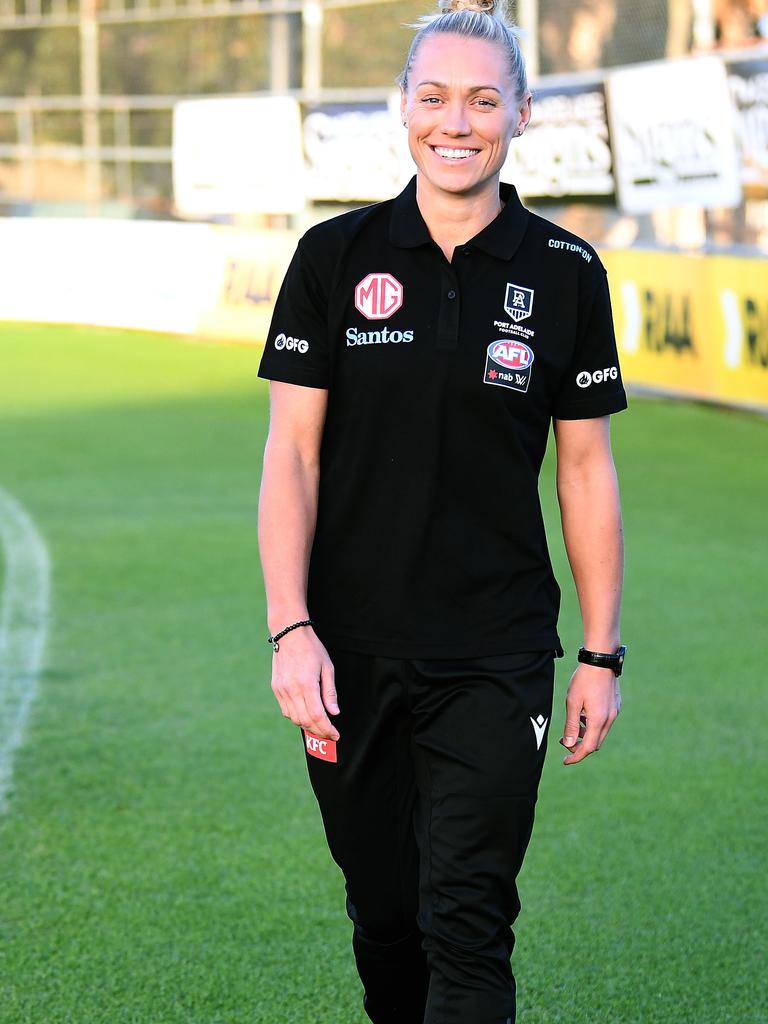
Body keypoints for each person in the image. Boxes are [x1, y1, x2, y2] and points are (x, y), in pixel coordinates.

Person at [257, 1, 627, 1021]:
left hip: (498, 653)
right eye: (433, 97)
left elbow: (585, 469)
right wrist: (292, 628)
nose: (454, 121)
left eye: (481, 99)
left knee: (468, 918)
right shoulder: (333, 259)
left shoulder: (565, 273)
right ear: (402, 110)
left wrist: (600, 652)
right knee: (387, 916)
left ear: (519, 115)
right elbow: (291, 455)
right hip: (348, 652)